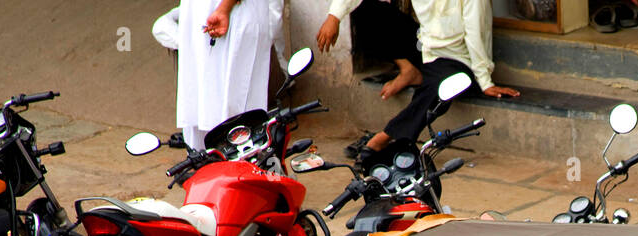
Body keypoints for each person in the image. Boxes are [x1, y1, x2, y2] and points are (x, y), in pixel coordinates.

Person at [326, 0, 521, 169]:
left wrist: (484, 80)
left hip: (456, 58)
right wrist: (333, 17)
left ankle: (385, 137)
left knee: (442, 87)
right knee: (366, 10)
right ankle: (408, 69)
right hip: (424, 46)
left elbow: (475, 31)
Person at [176, 0, 285, 150]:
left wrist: (225, 7)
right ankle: (205, 164)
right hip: (203, 17)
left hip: (232, 16)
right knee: (202, 106)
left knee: (236, 118)